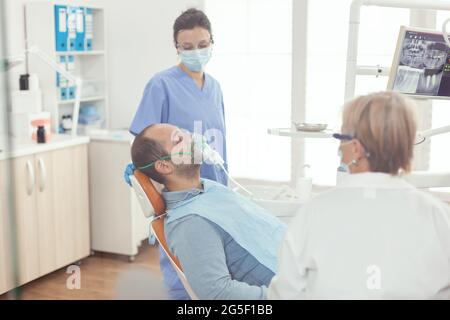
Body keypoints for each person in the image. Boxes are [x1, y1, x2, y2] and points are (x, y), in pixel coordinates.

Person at [268, 91, 450, 299]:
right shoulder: (440, 218)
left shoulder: (313, 214)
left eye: (341, 137)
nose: (338, 146)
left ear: (355, 149)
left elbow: (285, 293)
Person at [124, 8, 227, 300]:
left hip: (214, 192)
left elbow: (219, 144)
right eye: (188, 47)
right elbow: (144, 147)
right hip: (181, 199)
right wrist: (143, 183)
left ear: (211, 42)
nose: (197, 52)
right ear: (177, 47)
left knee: (214, 275)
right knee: (184, 279)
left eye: (203, 45)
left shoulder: (216, 88)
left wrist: (225, 192)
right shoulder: (162, 85)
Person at [131, 123, 286, 299]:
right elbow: (217, 294)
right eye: (179, 139)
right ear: (165, 166)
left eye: (185, 133)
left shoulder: (207, 190)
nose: (193, 138)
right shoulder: (190, 223)